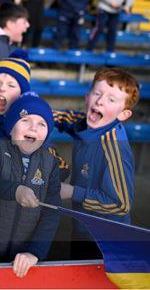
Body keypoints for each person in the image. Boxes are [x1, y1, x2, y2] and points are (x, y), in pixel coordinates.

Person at [54, 68, 139, 259]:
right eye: (97, 93)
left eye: (111, 99)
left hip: (107, 237)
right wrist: (36, 113)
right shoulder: (84, 123)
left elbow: (121, 205)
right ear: (87, 97)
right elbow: (64, 118)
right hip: (83, 226)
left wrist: (72, 192)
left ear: (123, 115)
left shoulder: (115, 149)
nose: (100, 101)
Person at [0, 92, 60, 277]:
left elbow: (51, 214)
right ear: (11, 127)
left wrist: (35, 252)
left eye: (42, 124)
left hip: (24, 259)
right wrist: (15, 190)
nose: (33, 128)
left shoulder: (51, 164)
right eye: (25, 120)